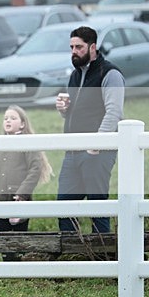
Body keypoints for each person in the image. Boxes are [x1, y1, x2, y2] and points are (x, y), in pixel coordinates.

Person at [55, 25, 125, 234]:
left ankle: (104, 256)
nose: (74, 52)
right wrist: (64, 110)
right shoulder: (75, 75)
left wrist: (98, 143)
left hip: (98, 152)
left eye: (79, 47)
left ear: (92, 47)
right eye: (71, 47)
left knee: (98, 206)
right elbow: (77, 112)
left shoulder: (110, 74)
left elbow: (114, 112)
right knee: (64, 205)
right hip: (73, 150)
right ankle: (70, 256)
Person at [0, 105, 53, 261]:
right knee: (3, 234)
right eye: (6, 118)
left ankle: (20, 264)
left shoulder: (27, 143)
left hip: (18, 198)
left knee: (19, 235)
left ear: (22, 124)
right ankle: (7, 263)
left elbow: (35, 169)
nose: (8, 121)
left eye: (13, 118)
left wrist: (22, 193)